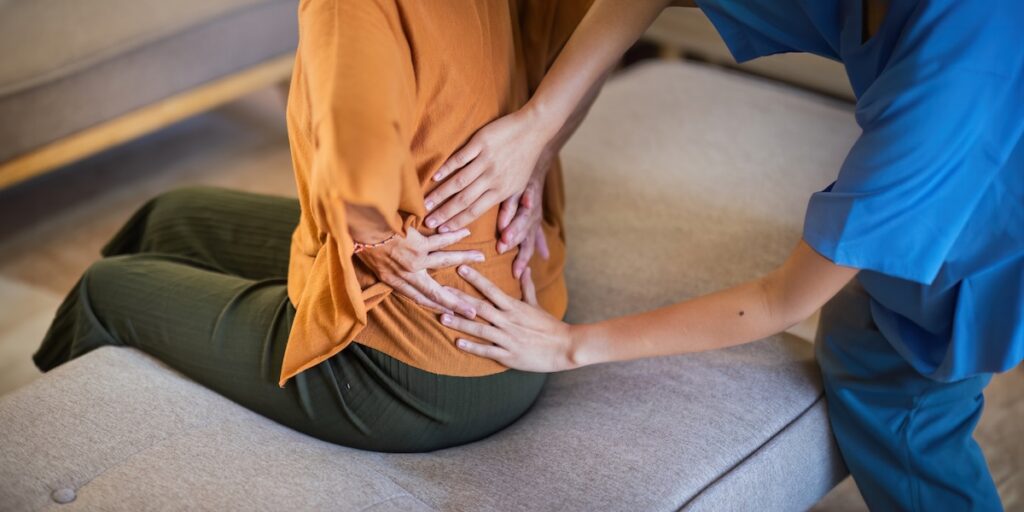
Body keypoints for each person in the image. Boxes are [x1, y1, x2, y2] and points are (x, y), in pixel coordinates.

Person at [427, 0, 1023, 509]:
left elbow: (781, 298)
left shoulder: (951, 83)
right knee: (858, 331)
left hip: (989, 224)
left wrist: (569, 346)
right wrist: (540, 129)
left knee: (904, 402)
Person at [32, 0, 593, 453]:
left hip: (417, 374)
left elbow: (357, 144)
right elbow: (575, 28)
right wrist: (541, 142)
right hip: (525, 306)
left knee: (103, 290)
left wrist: (374, 236)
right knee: (167, 217)